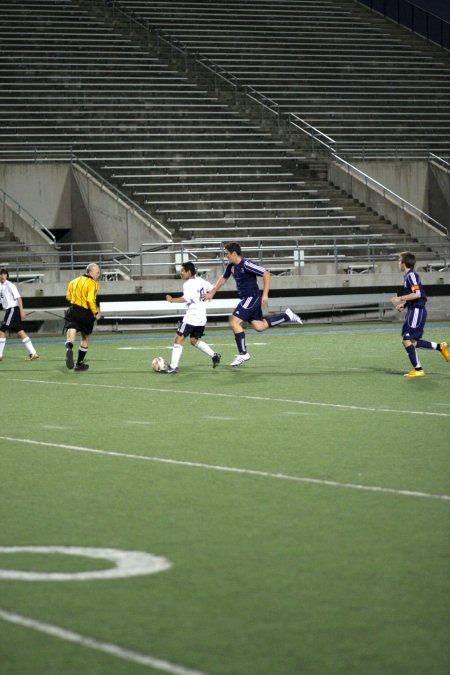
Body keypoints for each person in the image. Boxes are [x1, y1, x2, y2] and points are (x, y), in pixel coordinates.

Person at [202, 242, 302, 366]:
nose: (225, 256)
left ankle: (243, 354)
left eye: (226, 254)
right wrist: (212, 292)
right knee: (259, 326)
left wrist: (265, 294)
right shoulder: (231, 266)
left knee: (234, 322)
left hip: (251, 297)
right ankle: (287, 315)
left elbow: (266, 273)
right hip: (246, 299)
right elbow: (223, 278)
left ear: (234, 253)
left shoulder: (247, 264)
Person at [390, 251, 449, 377]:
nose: (398, 263)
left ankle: (418, 370)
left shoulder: (411, 275)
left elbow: (417, 294)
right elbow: (415, 295)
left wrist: (400, 298)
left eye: (399, 260)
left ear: (404, 263)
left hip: (417, 311)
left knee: (406, 340)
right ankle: (440, 347)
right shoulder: (408, 276)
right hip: (414, 310)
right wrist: (405, 304)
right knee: (413, 341)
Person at [163, 261, 221, 373]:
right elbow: (213, 288)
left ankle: (173, 367)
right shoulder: (201, 280)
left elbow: (185, 298)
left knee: (178, 339)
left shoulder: (188, 284)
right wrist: (210, 295)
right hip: (201, 318)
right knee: (194, 341)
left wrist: (172, 300)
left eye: (182, 271)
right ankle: (214, 355)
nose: (181, 273)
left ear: (189, 272)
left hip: (191, 318)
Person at [64, 262, 101, 371]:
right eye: (97, 272)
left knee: (71, 329)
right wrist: (96, 312)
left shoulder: (73, 281)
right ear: (91, 272)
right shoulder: (93, 284)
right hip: (85, 313)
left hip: (73, 309)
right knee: (85, 338)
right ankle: (79, 363)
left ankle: (69, 347)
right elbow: (90, 299)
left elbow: (68, 297)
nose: (98, 275)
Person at [0, 268, 39, 361]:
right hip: (9, 310)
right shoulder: (1, 286)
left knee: (2, 331)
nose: (2, 276)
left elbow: (19, 298)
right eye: (1, 274)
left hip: (13, 309)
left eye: (4, 274)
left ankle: (0, 355)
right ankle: (33, 353)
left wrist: (22, 311)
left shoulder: (10, 285)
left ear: (7, 276)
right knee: (20, 331)